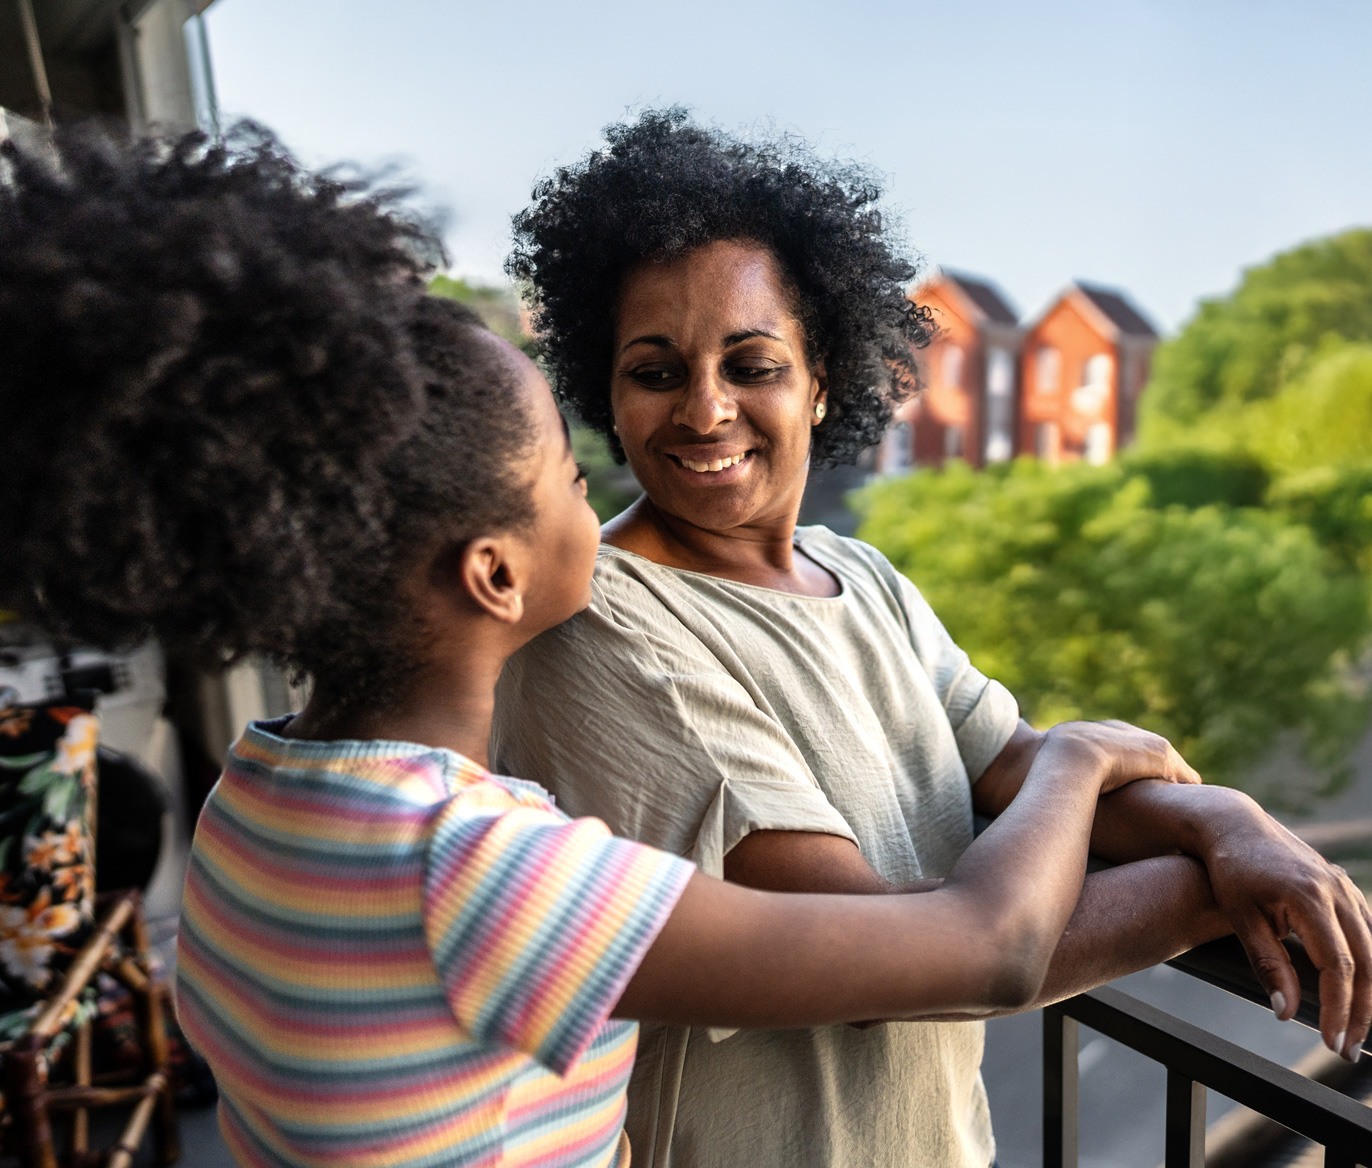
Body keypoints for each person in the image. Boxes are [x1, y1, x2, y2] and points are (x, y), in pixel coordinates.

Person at [0, 124, 1219, 1168]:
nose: (603, 489)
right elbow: (985, 951)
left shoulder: (256, 800)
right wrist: (1086, 758)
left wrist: (1209, 821)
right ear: (495, 572)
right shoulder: (476, 863)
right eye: (561, 476)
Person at [496, 108, 1372, 1168]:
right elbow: (901, 957)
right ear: (606, 389)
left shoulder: (859, 574)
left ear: (821, 376)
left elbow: (1012, 767)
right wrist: (1196, 867)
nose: (704, 408)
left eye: (752, 364)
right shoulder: (603, 623)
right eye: (655, 371)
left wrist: (1231, 819)